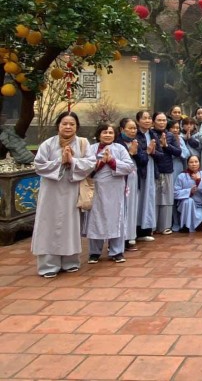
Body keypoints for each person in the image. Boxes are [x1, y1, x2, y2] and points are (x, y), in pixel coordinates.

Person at [32, 112, 96, 278]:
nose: (68, 127)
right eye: (64, 124)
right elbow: (39, 165)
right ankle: (48, 265)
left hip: (72, 189)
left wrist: (73, 161)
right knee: (48, 225)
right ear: (58, 125)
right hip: (51, 191)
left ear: (77, 126)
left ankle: (70, 261)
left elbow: (90, 163)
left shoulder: (83, 143)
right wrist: (60, 161)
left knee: (70, 224)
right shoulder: (48, 144)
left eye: (72, 124)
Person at [84, 124, 135, 264]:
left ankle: (117, 251)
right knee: (96, 219)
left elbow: (129, 166)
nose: (107, 135)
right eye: (104, 132)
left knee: (116, 219)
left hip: (115, 189)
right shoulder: (92, 149)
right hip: (97, 189)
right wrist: (100, 164)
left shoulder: (120, 148)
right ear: (99, 134)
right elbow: (85, 168)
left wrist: (112, 161)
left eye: (110, 132)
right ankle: (94, 252)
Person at [117, 117, 147, 252]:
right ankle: (118, 239)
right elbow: (117, 163)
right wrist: (130, 153)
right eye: (129, 128)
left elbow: (144, 159)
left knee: (132, 207)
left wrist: (135, 154)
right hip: (120, 180)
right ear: (122, 129)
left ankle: (129, 237)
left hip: (134, 179)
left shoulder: (137, 142)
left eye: (134, 128)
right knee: (121, 208)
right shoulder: (117, 143)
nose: (132, 131)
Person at [151, 112, 182, 235]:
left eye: (164, 120)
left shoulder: (170, 135)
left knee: (166, 199)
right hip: (153, 169)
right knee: (153, 199)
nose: (162, 122)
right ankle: (152, 226)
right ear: (154, 121)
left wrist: (166, 146)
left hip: (167, 169)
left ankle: (164, 226)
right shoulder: (150, 134)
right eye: (159, 120)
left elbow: (178, 152)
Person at [173, 155, 202, 233]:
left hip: (200, 205)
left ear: (199, 163)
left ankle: (192, 225)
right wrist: (189, 191)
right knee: (189, 201)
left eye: (196, 162)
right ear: (187, 164)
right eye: (191, 162)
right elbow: (175, 193)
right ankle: (185, 226)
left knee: (199, 218)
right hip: (185, 205)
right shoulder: (181, 176)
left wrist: (199, 180)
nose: (194, 164)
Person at [135, 110, 157, 241]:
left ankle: (145, 229)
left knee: (148, 197)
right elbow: (136, 153)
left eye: (149, 118)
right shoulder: (136, 135)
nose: (148, 120)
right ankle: (135, 229)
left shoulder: (153, 134)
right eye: (144, 118)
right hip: (139, 169)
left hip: (151, 167)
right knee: (138, 197)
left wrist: (153, 152)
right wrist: (147, 151)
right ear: (138, 121)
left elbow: (160, 153)